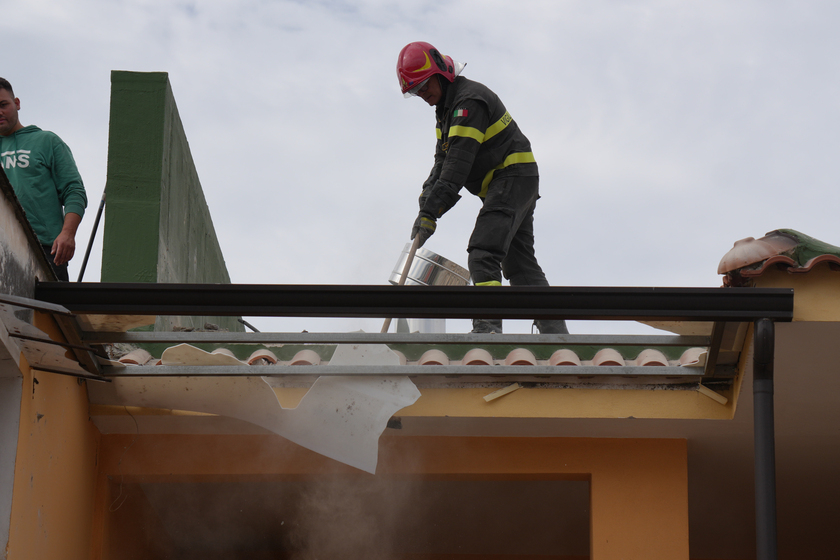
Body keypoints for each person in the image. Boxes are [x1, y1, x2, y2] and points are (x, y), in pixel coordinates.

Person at [397, 42, 568, 334]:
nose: (422, 95)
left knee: (482, 251)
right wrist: (425, 206)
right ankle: (556, 334)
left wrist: (433, 212)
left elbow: (456, 168)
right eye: (415, 91)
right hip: (514, 181)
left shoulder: (468, 103)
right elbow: (441, 163)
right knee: (519, 264)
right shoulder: (446, 111)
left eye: (424, 86)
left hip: (511, 178)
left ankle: (488, 327)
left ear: (441, 73)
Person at [0, 78, 87, 281]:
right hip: (2, 248)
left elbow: (74, 191)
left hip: (46, 250)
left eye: (3, 105)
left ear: (17, 103)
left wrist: (67, 234)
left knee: (50, 311)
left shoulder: (46, 141)